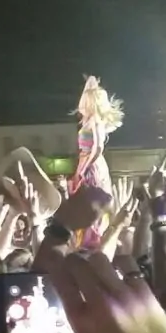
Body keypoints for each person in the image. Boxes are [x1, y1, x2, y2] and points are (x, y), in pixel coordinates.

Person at [70, 76, 124, 248]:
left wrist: (85, 167)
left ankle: (94, 236)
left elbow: (98, 147)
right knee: (83, 199)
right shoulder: (87, 121)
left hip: (92, 164)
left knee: (91, 198)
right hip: (85, 161)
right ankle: (86, 236)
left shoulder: (96, 121)